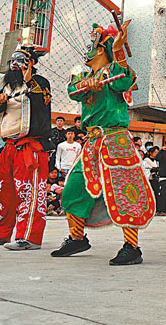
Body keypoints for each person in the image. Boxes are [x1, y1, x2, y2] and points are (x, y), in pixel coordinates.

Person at [51, 21, 155, 265]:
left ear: (101, 50)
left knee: (125, 192)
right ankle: (77, 238)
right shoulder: (84, 76)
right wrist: (88, 84)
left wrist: (118, 50)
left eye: (92, 45)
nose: (87, 50)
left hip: (115, 140)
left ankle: (132, 247)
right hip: (92, 142)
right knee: (73, 187)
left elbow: (124, 81)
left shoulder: (115, 72)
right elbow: (73, 90)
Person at [0, 45, 52, 250]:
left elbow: (41, 100)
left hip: (31, 146)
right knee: (2, 190)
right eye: (13, 61)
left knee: (29, 192)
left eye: (20, 60)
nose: (15, 64)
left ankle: (29, 237)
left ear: (31, 63)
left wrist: (28, 77)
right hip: (9, 146)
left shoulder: (39, 83)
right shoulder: (8, 88)